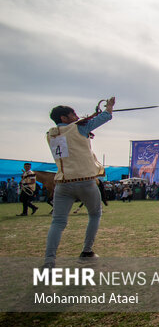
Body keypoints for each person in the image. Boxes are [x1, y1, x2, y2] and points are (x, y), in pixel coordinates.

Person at [42, 97, 115, 268]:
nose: (76, 116)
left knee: (58, 222)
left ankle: (49, 261)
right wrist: (109, 107)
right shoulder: (78, 128)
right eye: (72, 114)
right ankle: (86, 251)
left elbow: (77, 126)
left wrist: (86, 118)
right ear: (64, 118)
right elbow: (104, 117)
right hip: (85, 182)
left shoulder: (50, 134)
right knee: (95, 214)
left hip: (62, 183)